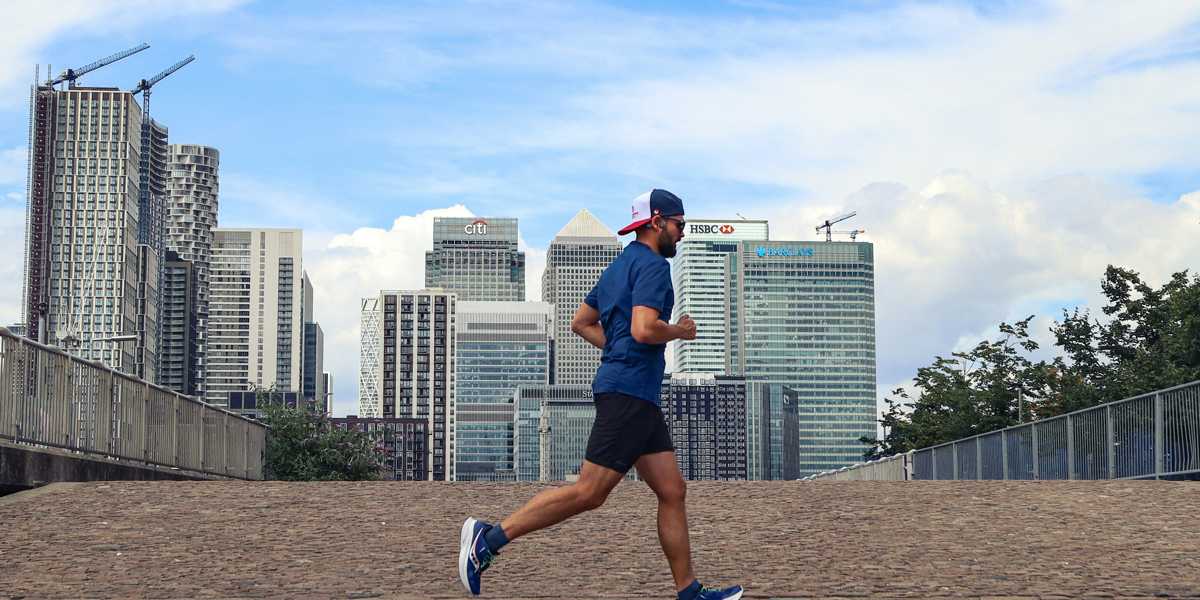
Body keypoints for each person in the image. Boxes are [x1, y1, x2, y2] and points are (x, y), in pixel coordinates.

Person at [458, 189, 744, 600]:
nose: (681, 234)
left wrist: (617, 348)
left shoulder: (619, 266)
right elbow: (645, 329)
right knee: (589, 492)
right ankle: (488, 540)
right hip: (628, 393)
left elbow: (580, 322)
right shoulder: (651, 267)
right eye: (680, 225)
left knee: (672, 490)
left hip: (636, 394)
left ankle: (689, 592)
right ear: (658, 221)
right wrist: (679, 331)